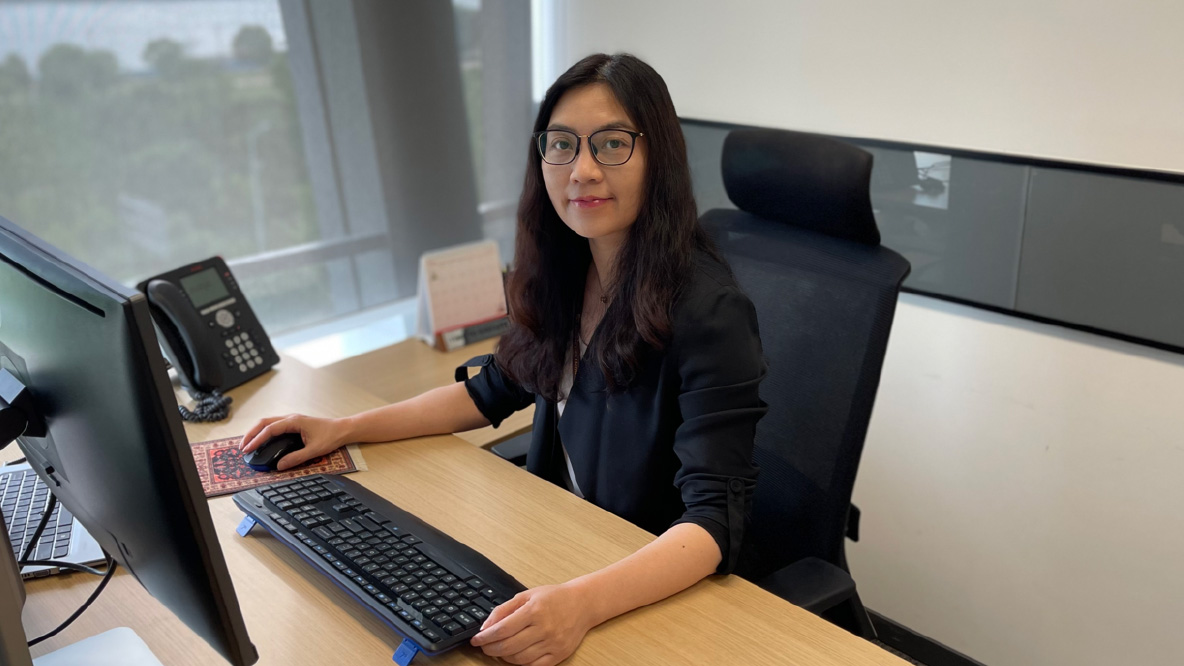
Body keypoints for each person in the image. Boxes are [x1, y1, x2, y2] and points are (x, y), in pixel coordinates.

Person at [241, 52, 767, 666]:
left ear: (661, 159)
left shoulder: (709, 310)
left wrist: (581, 603)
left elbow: (712, 522)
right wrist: (345, 429)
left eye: (613, 144)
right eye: (563, 145)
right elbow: (487, 392)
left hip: (637, 591)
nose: (584, 170)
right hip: (558, 552)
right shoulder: (566, 270)